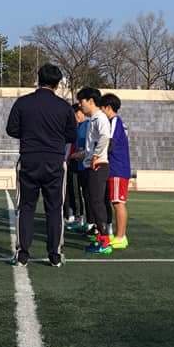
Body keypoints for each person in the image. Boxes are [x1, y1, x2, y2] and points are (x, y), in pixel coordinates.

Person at [6, 63, 77, 267]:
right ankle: (55, 254)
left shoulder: (23, 103)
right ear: (57, 83)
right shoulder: (64, 106)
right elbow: (71, 135)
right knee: (54, 208)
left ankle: (23, 254)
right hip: (54, 160)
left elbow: (11, 129)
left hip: (29, 158)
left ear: (38, 80)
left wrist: (30, 133)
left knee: (26, 207)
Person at [77, 87, 112, 255]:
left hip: (98, 166)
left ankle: (105, 241)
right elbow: (93, 144)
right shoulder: (93, 119)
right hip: (92, 165)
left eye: (81, 101)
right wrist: (83, 155)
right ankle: (100, 238)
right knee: (93, 202)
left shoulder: (100, 118)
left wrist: (96, 156)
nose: (80, 105)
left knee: (97, 203)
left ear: (91, 101)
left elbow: (105, 137)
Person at [101, 93, 131, 250]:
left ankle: (121, 236)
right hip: (116, 168)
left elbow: (110, 142)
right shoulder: (117, 123)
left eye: (102, 108)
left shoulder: (115, 121)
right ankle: (118, 235)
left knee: (118, 203)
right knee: (115, 202)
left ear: (108, 108)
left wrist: (98, 154)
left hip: (118, 168)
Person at [64, 104, 86, 224]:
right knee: (72, 191)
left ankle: (81, 217)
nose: (75, 117)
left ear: (82, 112)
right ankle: (75, 215)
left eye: (76, 114)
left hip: (83, 164)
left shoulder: (87, 125)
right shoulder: (75, 128)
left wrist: (78, 154)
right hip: (73, 163)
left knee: (81, 193)